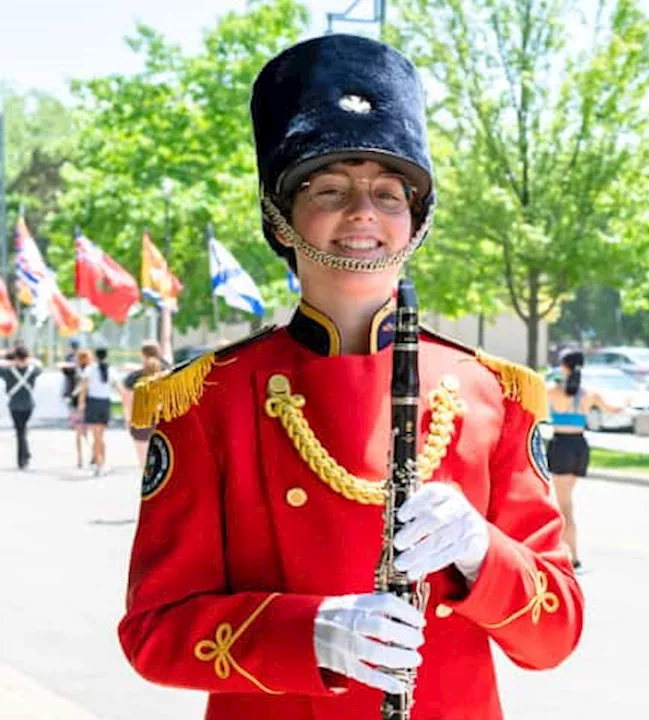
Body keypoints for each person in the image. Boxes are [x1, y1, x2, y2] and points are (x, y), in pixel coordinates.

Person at [118, 34, 582, 720]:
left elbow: (555, 636)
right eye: (329, 188)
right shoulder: (208, 401)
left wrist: (485, 553)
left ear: (416, 221)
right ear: (281, 219)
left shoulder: (495, 395)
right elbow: (153, 632)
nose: (363, 213)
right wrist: (309, 634)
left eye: (389, 194)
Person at [545, 348, 622, 569]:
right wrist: (626, 401)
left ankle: (569, 555)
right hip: (580, 447)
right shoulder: (590, 394)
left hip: (561, 445)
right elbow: (613, 409)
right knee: (568, 503)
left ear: (564, 367)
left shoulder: (553, 390)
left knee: (563, 506)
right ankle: (570, 553)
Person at [79, 347, 126, 476]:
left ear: (95, 355)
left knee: (96, 436)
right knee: (100, 436)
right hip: (105, 404)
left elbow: (83, 388)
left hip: (93, 403)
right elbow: (119, 388)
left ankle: (99, 463)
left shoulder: (89, 369)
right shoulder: (111, 369)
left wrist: (81, 404)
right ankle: (101, 462)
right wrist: (126, 402)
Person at [0, 345, 42, 469]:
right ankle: (26, 454)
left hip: (14, 405)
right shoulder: (32, 370)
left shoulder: (8, 371)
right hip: (29, 404)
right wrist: (28, 359)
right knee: (22, 431)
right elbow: (39, 365)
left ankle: (22, 460)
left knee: (20, 432)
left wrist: (9, 359)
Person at [122, 355, 164, 466]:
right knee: (158, 455)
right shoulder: (163, 384)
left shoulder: (137, 385)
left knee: (142, 458)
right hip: (157, 422)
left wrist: (127, 420)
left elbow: (128, 403)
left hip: (139, 421)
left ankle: (145, 477)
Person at [62, 347, 92, 468]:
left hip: (78, 404)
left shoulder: (75, 371)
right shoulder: (91, 370)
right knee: (88, 432)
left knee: (80, 432)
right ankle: (91, 455)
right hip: (90, 403)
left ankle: (81, 458)